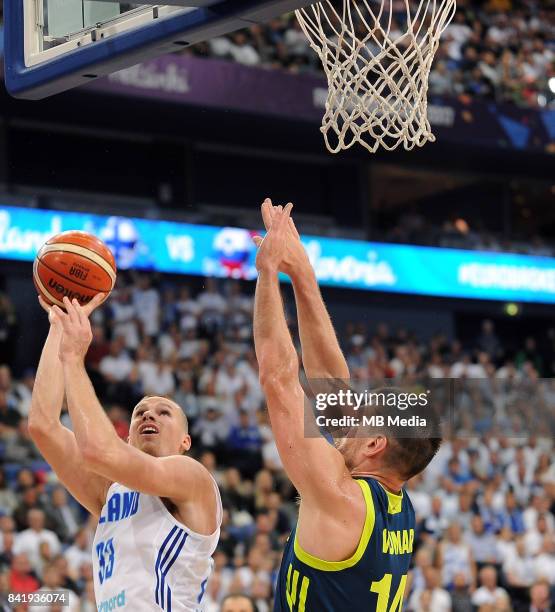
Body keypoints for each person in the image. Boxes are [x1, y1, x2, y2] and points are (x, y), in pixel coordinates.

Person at [252, 201, 442, 611]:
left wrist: (267, 273)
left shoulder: (342, 497)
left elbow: (278, 380)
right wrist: (300, 272)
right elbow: (331, 385)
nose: (350, 409)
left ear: (375, 443)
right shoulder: (396, 504)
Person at [29, 293, 222, 610]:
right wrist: (59, 325)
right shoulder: (110, 491)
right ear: (130, 437)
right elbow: (43, 426)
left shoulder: (193, 478)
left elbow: (100, 451)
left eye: (164, 413)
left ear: (185, 442)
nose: (149, 415)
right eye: (141, 412)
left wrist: (75, 360)